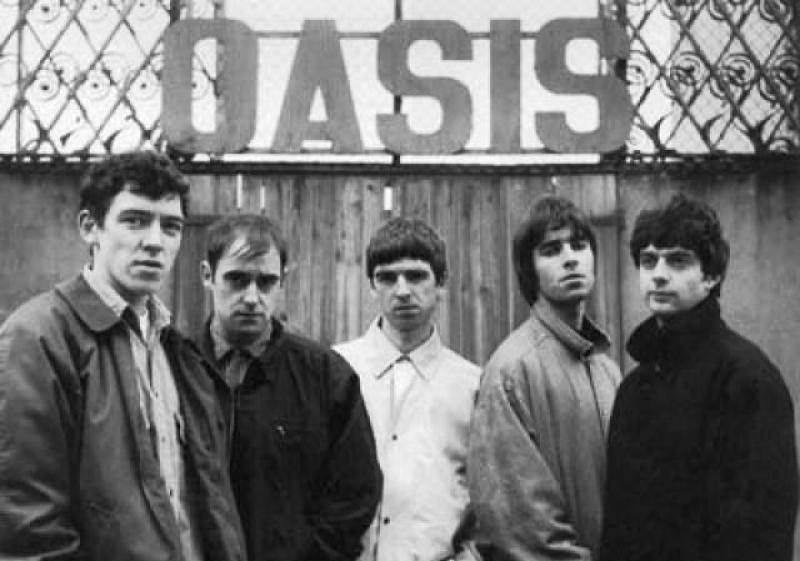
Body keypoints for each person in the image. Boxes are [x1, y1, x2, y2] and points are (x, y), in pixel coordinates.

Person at [0, 151, 245, 561]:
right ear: (90, 227)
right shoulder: (38, 338)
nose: (155, 242)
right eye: (135, 221)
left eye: (171, 226)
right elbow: (27, 525)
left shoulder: (177, 349)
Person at [598, 194, 798, 561]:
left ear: (711, 275)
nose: (659, 273)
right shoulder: (634, 388)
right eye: (648, 260)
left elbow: (760, 534)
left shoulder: (746, 379)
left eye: (677, 260)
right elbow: (619, 526)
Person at [197, 214, 382, 561]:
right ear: (208, 275)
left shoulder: (326, 377)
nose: (251, 297)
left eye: (266, 282)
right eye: (237, 279)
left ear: (283, 280)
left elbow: (355, 496)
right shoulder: (178, 368)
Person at [468, 195, 621, 561]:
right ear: (530, 269)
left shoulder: (607, 370)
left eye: (579, 245)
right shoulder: (511, 370)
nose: (570, 258)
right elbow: (521, 521)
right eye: (551, 250)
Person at [334, 217, 481, 561]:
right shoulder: (337, 370)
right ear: (372, 286)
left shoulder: (471, 384)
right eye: (387, 278)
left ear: (441, 282)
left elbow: (489, 497)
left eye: (415, 276)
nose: (402, 291)